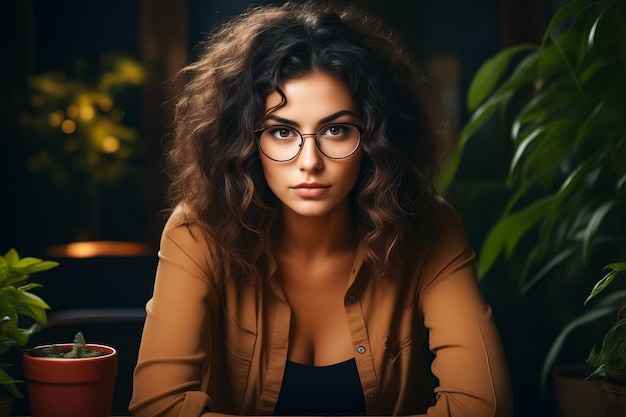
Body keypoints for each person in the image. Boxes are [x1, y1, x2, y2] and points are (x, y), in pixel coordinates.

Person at [129, 1, 513, 416]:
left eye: (335, 129)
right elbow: (159, 404)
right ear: (243, 142)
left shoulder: (429, 226)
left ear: (376, 138)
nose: (309, 161)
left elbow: (484, 405)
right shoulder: (198, 232)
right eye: (281, 131)